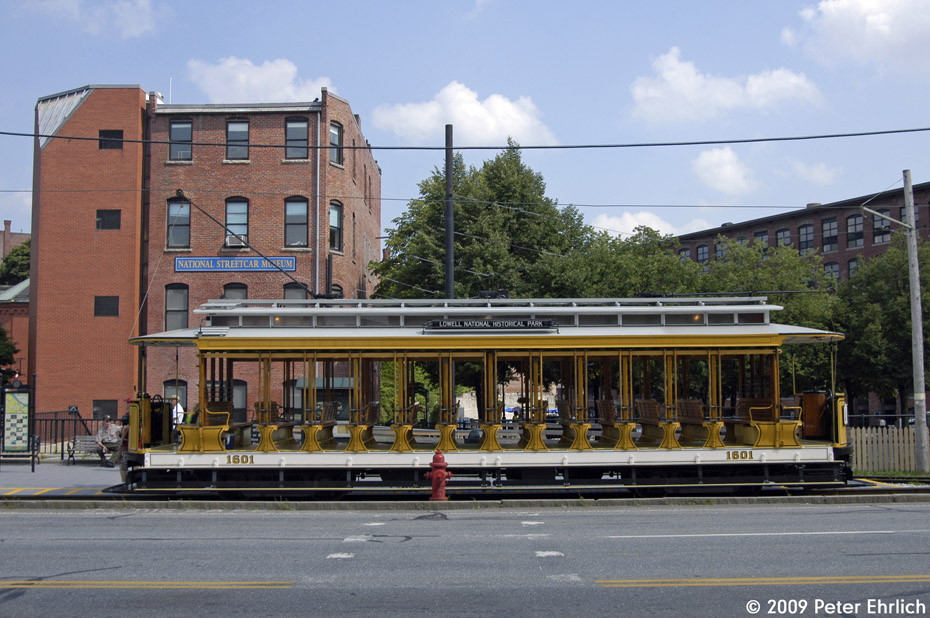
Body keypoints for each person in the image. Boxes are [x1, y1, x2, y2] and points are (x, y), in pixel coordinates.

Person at [115, 413, 131, 484]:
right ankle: (124, 480)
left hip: (127, 445)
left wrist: (121, 440)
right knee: (121, 461)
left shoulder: (127, 427)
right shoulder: (124, 427)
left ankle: (124, 480)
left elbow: (126, 429)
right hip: (127, 445)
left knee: (121, 461)